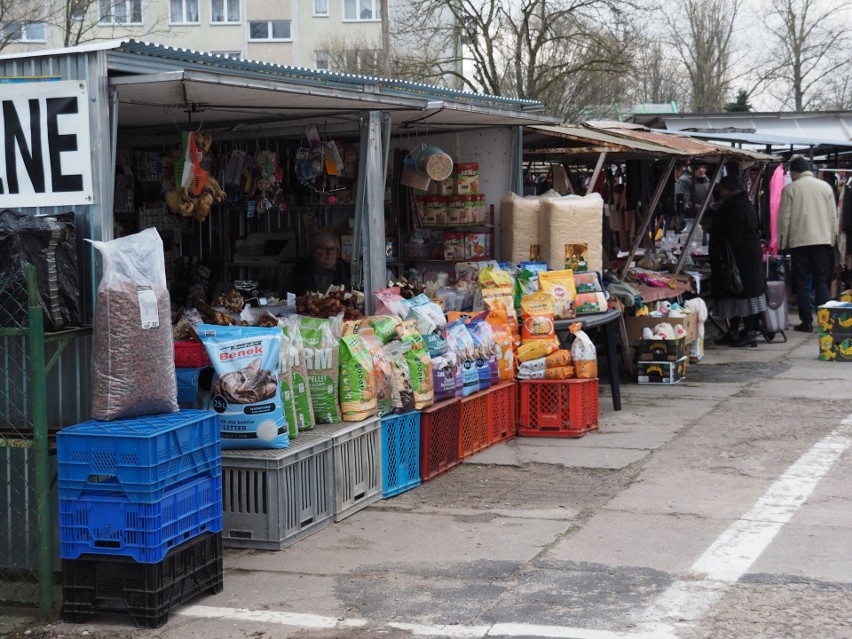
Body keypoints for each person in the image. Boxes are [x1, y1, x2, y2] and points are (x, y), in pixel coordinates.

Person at [777, 155, 837, 332]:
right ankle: (825, 323)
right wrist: (831, 240)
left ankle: (806, 322)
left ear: (794, 172)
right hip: (822, 241)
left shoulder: (790, 189)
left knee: (801, 282)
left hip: (799, 242)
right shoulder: (825, 187)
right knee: (821, 281)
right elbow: (833, 217)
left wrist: (782, 242)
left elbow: (784, 219)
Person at [709, 174, 767, 348]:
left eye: (722, 188)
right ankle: (733, 331)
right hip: (745, 256)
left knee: (743, 295)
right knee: (737, 295)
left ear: (729, 189)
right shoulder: (742, 202)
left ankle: (749, 334)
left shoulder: (734, 206)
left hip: (740, 258)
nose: (720, 191)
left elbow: (732, 234)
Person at [283, 227, 351, 296]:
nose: (329, 253)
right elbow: (286, 295)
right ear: (315, 251)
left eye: (332, 249)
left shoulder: (348, 270)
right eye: (324, 248)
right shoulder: (300, 270)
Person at [674, 161, 712, 228]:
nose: (701, 170)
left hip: (706, 223)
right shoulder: (684, 181)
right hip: (689, 224)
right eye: (698, 167)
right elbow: (683, 203)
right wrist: (703, 208)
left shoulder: (707, 181)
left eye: (704, 167)